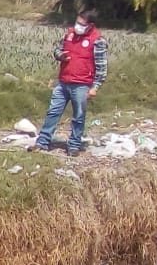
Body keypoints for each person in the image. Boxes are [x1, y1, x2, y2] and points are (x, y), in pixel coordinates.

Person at [29, 10, 108, 157]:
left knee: (78, 116)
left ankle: (74, 145)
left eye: (81, 24)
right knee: (53, 112)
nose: (78, 26)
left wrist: (95, 87)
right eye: (77, 22)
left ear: (90, 25)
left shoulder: (98, 40)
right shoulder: (69, 34)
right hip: (63, 82)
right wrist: (61, 56)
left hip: (82, 85)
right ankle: (42, 142)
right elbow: (57, 50)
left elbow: (102, 67)